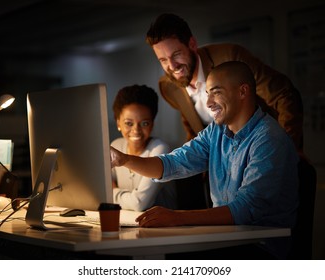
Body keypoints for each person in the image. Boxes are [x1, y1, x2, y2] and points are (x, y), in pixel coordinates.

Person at [110, 62, 299, 259]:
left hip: (261, 249)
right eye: (207, 93)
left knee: (167, 259)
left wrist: (177, 217)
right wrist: (124, 160)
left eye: (216, 92)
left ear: (243, 92)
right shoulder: (216, 131)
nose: (208, 103)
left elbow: (244, 210)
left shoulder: (269, 138)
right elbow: (172, 164)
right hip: (224, 239)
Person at [146, 13, 304, 153]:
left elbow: (283, 95)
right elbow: (193, 127)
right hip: (223, 167)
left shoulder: (230, 57)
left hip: (264, 147)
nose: (172, 66)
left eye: (176, 54)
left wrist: (286, 151)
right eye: (163, 60)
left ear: (192, 44)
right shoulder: (168, 87)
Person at [111, 84, 177, 212]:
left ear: (152, 123)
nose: (136, 130)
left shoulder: (160, 149)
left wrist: (111, 192)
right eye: (129, 123)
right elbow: (99, 192)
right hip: (128, 224)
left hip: (164, 229)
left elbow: (139, 204)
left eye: (144, 123)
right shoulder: (116, 146)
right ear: (118, 122)